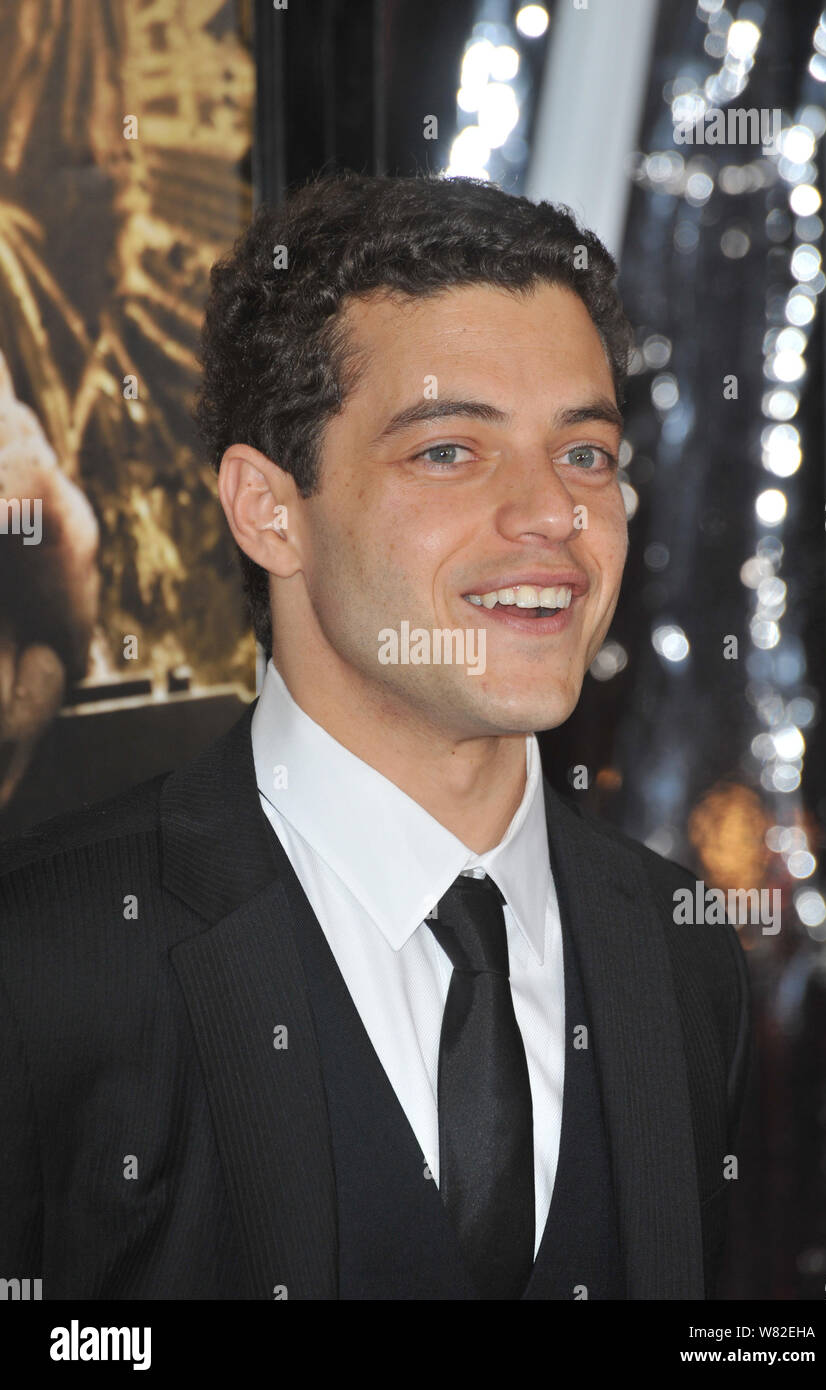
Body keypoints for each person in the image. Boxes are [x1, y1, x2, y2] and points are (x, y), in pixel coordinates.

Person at [0, 171, 751, 1300]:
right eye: (449, 450)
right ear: (268, 509)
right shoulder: (43, 960)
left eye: (584, 452)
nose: (552, 512)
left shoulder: (682, 956)